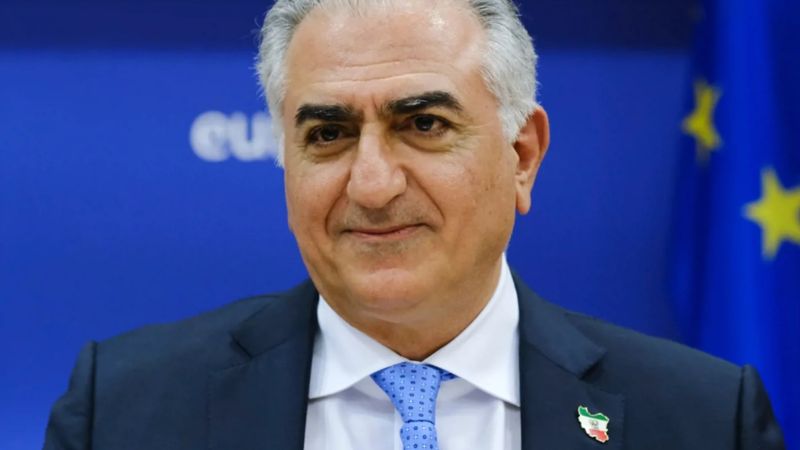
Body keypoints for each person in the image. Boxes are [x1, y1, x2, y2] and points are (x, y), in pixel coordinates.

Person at [44, 0, 786, 449]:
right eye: (328, 134)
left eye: (424, 124)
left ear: (522, 156)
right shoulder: (125, 412)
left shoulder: (701, 421)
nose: (372, 185)